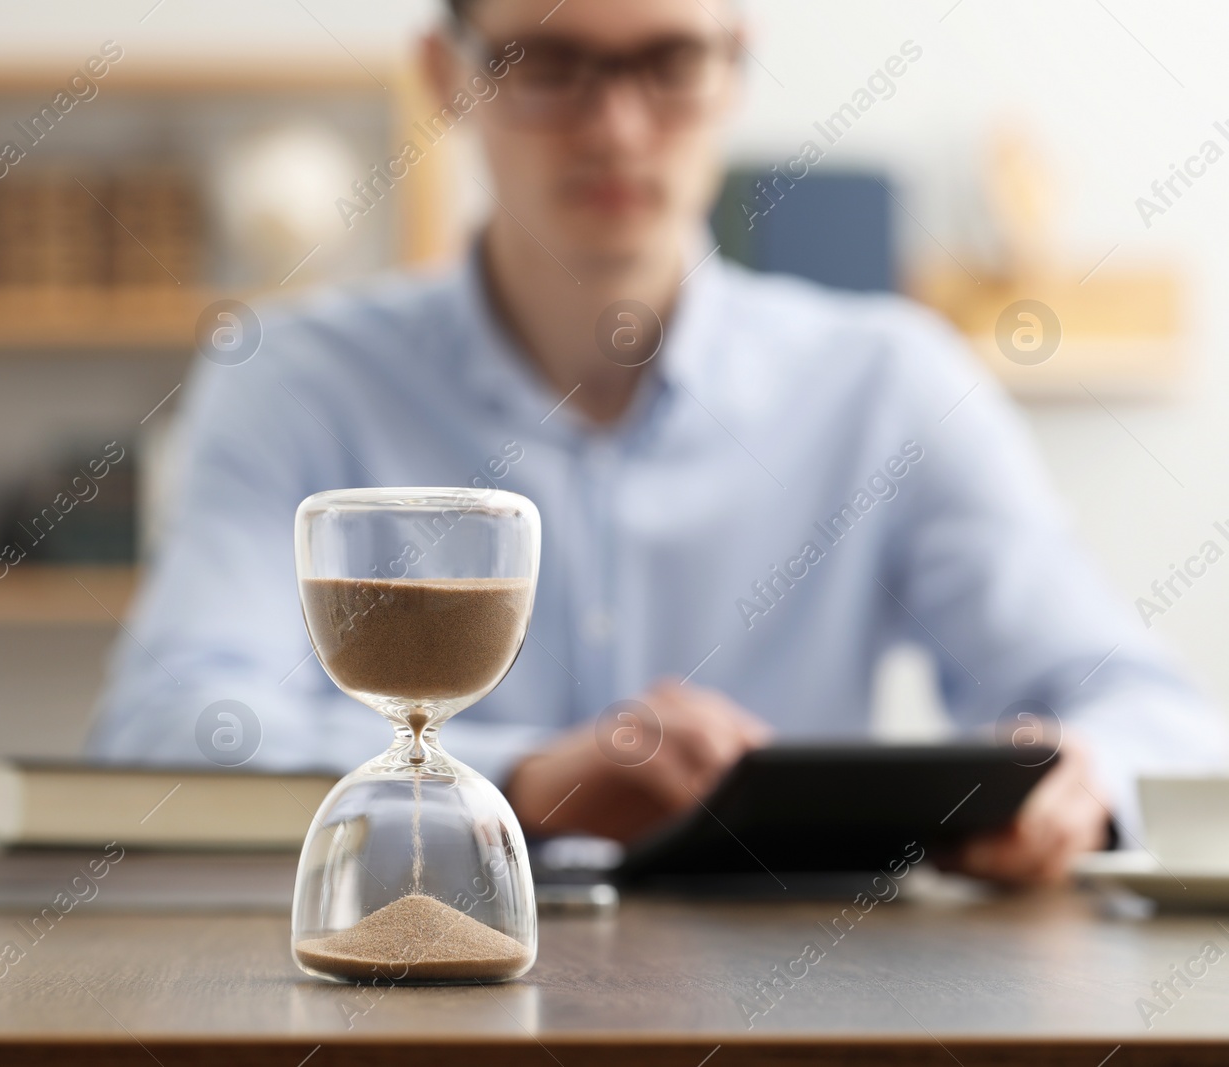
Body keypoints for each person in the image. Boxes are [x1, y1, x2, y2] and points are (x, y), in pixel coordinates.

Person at [88, 0, 1226, 885]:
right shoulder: (289, 377)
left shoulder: (892, 383)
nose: (617, 126)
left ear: (734, 65)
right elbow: (162, 737)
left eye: (670, 61)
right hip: (410, 998)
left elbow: (1149, 711)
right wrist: (524, 781)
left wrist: (1088, 779)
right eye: (548, 62)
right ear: (448, 78)